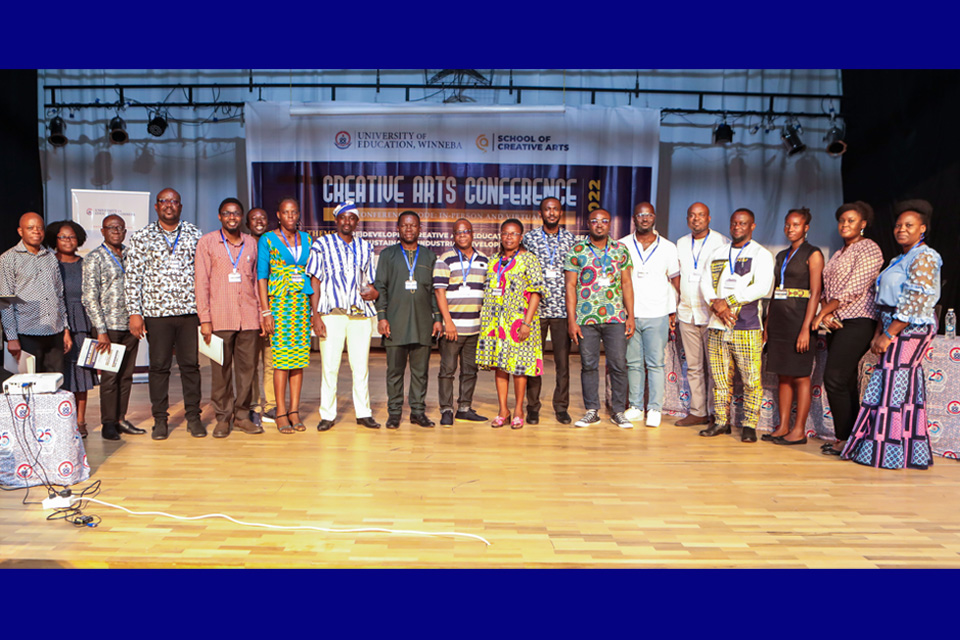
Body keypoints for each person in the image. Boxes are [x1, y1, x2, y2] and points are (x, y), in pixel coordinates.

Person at [842, 200, 941, 470]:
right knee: (900, 385)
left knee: (893, 385)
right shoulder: (898, 259)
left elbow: (915, 300)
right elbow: (882, 300)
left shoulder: (925, 256)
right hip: (891, 323)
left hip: (910, 327)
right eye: (898, 225)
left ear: (922, 228)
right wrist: (879, 332)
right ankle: (907, 451)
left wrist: (889, 334)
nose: (901, 229)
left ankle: (887, 452)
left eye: (909, 225)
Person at [125, 188, 204, 440]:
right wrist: (134, 312)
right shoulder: (142, 236)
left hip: (189, 312)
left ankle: (193, 417)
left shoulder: (194, 234)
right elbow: (133, 277)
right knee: (159, 367)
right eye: (164, 201)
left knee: (190, 366)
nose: (169, 205)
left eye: (174, 201)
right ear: (156, 207)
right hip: (156, 313)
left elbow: (204, 275)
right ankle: (160, 420)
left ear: (180, 206)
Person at [811, 202, 883, 456]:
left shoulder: (869, 248)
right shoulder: (839, 253)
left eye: (851, 220)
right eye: (842, 220)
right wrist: (827, 312)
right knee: (846, 381)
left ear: (863, 224)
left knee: (835, 378)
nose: (845, 224)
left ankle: (845, 438)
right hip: (838, 322)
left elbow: (854, 288)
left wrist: (823, 314)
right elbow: (827, 289)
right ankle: (855, 438)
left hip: (859, 320)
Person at [698, 208, 774, 443]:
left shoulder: (761, 254)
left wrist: (728, 301)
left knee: (751, 380)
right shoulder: (718, 253)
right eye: (734, 223)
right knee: (720, 379)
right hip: (717, 325)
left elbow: (761, 287)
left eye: (743, 223)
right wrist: (716, 304)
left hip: (747, 326)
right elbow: (705, 282)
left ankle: (749, 425)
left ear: (752, 226)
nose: (737, 227)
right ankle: (721, 422)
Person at [306, 200, 380, 431]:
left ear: (357, 222)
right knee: (330, 366)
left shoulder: (365, 247)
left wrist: (374, 292)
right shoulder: (322, 244)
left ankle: (363, 413)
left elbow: (371, 280)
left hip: (360, 315)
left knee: (361, 367)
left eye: (352, 218)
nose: (347, 221)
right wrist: (315, 315)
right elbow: (315, 280)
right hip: (331, 314)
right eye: (343, 217)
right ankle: (327, 415)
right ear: (336, 220)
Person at [195, 197, 264, 438]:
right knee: (220, 372)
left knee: (247, 371)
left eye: (235, 213)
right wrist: (205, 319)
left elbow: (257, 282)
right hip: (219, 318)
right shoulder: (207, 242)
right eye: (227, 213)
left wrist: (261, 315)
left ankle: (242, 416)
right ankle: (223, 418)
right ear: (220, 216)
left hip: (249, 318)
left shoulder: (251, 243)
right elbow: (201, 282)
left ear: (241, 217)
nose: (231, 217)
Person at [564, 208, 635, 428]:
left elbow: (626, 283)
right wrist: (571, 320)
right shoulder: (577, 250)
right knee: (589, 365)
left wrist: (631, 316)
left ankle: (618, 411)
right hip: (586, 318)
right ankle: (592, 411)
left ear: (609, 224)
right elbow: (570, 286)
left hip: (615, 317)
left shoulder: (620, 250)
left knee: (618, 365)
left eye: (604, 220)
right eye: (595, 220)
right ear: (588, 223)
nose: (599, 224)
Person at [374, 211, 442, 429]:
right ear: (398, 228)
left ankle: (418, 412)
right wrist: (382, 317)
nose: (409, 229)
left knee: (420, 372)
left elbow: (434, 291)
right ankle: (394, 413)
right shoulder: (388, 255)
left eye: (413, 225)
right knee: (394, 372)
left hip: (423, 324)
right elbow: (380, 287)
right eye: (405, 225)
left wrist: (437, 318)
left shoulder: (429, 257)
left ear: (420, 229)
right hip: (395, 323)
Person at [762, 208, 824, 445]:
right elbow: (775, 291)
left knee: (800, 377)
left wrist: (806, 328)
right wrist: (767, 325)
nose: (790, 229)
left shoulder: (813, 253)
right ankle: (783, 426)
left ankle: (799, 431)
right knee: (783, 376)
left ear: (806, 228)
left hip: (799, 320)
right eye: (788, 225)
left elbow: (815, 293)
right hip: (779, 320)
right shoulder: (781, 255)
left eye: (796, 225)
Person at [476, 219, 544, 429]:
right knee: (500, 366)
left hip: (519, 323)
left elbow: (536, 293)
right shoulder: (493, 260)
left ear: (521, 237)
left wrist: (526, 323)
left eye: (513, 234)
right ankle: (503, 410)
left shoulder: (529, 259)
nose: (509, 237)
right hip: (495, 322)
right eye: (505, 233)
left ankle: (518, 410)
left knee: (519, 367)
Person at [81, 215, 144, 441]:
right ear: (103, 231)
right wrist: (101, 330)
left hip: (131, 326)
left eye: (120, 228)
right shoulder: (94, 258)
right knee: (110, 378)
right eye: (111, 228)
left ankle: (120, 419)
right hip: (108, 328)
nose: (116, 231)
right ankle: (108, 423)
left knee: (126, 377)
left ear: (125, 232)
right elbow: (89, 297)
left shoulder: (132, 255)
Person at [619, 202, 679, 428]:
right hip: (630, 314)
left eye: (649, 215)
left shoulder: (668, 247)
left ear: (654, 218)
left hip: (658, 312)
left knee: (655, 364)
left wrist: (673, 310)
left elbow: (675, 281)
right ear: (634, 218)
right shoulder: (622, 244)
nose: (644, 219)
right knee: (634, 363)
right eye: (640, 215)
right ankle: (636, 407)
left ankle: (654, 409)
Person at [258, 197, 313, 434]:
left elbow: (311, 273)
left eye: (294, 212)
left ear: (298, 215)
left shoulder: (307, 239)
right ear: (278, 215)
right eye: (286, 212)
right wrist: (266, 311)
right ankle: (280, 412)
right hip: (279, 305)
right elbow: (262, 277)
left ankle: (294, 411)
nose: (291, 216)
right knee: (281, 361)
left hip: (301, 305)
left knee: (298, 361)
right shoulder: (268, 239)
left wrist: (314, 310)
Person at [522, 197, 576, 425]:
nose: (551, 213)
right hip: (536, 310)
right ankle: (532, 407)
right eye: (547, 209)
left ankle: (561, 407)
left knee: (563, 363)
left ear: (561, 213)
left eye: (555, 209)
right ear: (540, 213)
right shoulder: (529, 238)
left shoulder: (571, 239)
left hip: (562, 310)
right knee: (534, 361)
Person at [675, 202, 729, 427]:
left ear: (709, 218)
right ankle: (698, 411)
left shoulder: (722, 242)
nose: (696, 219)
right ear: (687, 218)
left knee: (716, 368)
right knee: (694, 367)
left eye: (701, 215)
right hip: (687, 313)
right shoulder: (680, 243)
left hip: (712, 316)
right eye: (692, 215)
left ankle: (717, 413)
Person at [44, 220, 98, 436]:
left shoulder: (85, 264)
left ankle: (80, 421)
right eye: (63, 237)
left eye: (72, 236)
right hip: (55, 324)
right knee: (61, 373)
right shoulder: (48, 263)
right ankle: (62, 420)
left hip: (82, 323)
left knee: (82, 373)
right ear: (54, 240)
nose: (68, 240)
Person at [433, 218, 489, 426]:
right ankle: (446, 409)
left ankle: (464, 408)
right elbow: (439, 292)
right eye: (458, 232)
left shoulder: (484, 259)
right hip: (453, 328)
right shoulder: (445, 259)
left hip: (475, 327)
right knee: (447, 371)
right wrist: (447, 322)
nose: (462, 235)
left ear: (473, 234)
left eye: (466, 231)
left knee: (470, 370)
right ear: (453, 235)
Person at [0, 213, 71, 374]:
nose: (36, 231)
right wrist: (12, 337)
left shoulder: (50, 257)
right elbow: (6, 300)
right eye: (30, 228)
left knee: (54, 382)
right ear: (20, 231)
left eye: (40, 228)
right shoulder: (8, 258)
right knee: (30, 383)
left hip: (54, 331)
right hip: (27, 333)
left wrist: (65, 329)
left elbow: (59, 295)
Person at [246, 207, 274, 427]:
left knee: (271, 361)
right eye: (254, 218)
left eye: (262, 218)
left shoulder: (274, 244)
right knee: (251, 363)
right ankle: (254, 406)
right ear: (247, 224)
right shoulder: (244, 245)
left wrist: (268, 312)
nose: (259, 221)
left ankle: (271, 405)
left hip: (272, 312)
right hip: (249, 312)